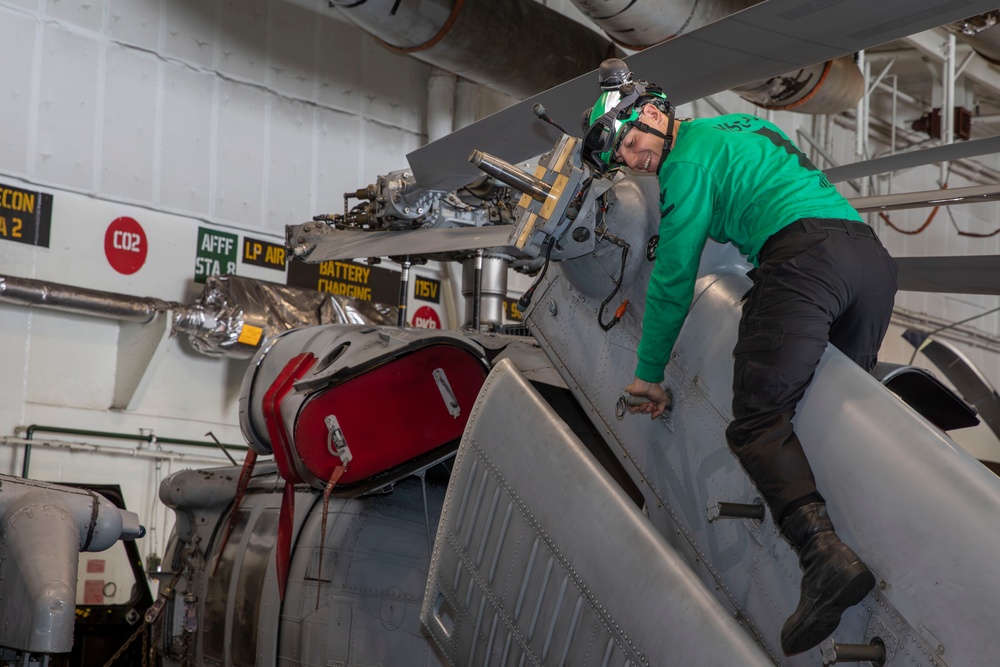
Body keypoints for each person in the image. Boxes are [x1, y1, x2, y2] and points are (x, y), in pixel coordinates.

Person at [581, 59, 898, 656]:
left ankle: (823, 559)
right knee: (829, 420)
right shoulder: (744, 130)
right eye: (620, 158)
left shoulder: (686, 163)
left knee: (756, 421)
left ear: (650, 113)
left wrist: (648, 376)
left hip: (805, 261)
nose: (630, 160)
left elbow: (674, 277)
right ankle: (852, 547)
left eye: (627, 144)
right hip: (870, 262)